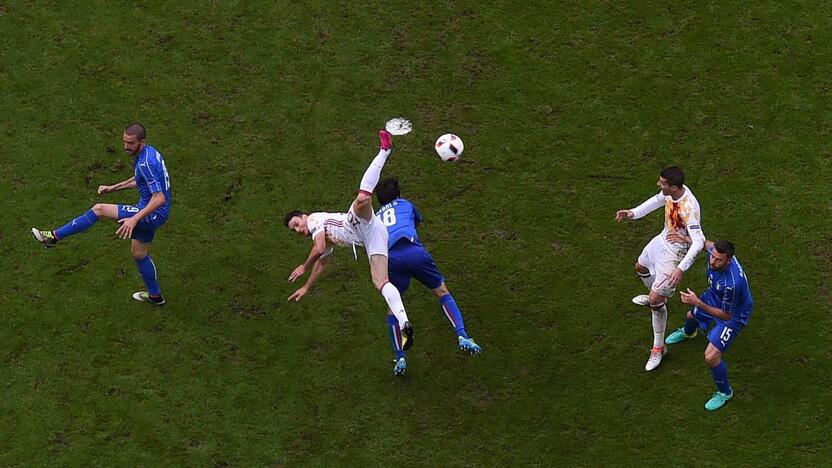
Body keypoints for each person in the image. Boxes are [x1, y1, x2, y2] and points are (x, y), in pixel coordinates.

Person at [284, 130, 414, 376]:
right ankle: (405, 321)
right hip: (372, 236)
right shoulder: (320, 234)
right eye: (294, 231)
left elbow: (319, 248)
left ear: (302, 217)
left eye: (296, 225)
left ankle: (385, 150)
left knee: (362, 200)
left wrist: (302, 266)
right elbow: (323, 262)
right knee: (380, 281)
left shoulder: (314, 220)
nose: (298, 230)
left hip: (355, 225)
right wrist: (307, 287)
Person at [31, 123, 171, 305]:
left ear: (141, 142)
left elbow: (159, 198)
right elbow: (140, 179)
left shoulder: (146, 163)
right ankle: (155, 296)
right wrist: (112, 188)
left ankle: (53, 237)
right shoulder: (150, 153)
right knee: (139, 254)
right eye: (124, 141)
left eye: (130, 143)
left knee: (99, 210)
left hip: (151, 213)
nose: (126, 147)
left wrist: (134, 219)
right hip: (155, 213)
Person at [374, 178, 482, 365]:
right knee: (441, 291)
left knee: (393, 306)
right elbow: (416, 223)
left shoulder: (375, 217)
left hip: (391, 260)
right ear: (399, 193)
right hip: (414, 251)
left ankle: (400, 357)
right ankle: (462, 335)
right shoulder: (406, 204)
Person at [614, 166, 705, 371]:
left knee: (655, 301)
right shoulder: (671, 194)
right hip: (663, 240)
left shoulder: (689, 207)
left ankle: (658, 347)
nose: (658, 184)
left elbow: (699, 242)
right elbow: (657, 200)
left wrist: (680, 269)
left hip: (676, 253)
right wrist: (632, 213)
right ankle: (657, 294)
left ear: (673, 187)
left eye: (662, 183)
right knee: (641, 267)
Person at [665, 238, 753, 411]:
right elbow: (704, 243)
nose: (713, 261)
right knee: (691, 316)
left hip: (734, 314)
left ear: (729, 260)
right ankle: (688, 333)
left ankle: (724, 392)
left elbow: (726, 315)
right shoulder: (716, 254)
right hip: (716, 296)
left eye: (718, 259)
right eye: (712, 256)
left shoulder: (732, 284)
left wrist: (698, 302)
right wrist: (686, 239)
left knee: (711, 356)